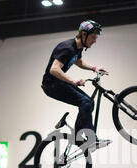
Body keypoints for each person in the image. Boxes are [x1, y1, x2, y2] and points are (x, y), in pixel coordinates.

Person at [42, 20, 111, 151]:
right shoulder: (66, 47)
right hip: (51, 85)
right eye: (93, 37)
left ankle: (78, 136)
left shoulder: (77, 47)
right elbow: (54, 69)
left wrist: (94, 68)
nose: (95, 41)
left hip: (58, 83)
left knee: (89, 103)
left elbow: (78, 62)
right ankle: (89, 140)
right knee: (85, 102)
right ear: (84, 34)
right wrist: (73, 81)